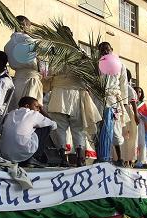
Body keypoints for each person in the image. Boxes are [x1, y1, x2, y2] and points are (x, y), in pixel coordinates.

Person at [47, 26, 101, 167]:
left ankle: (63, 158)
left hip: (60, 93)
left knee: (61, 128)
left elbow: (50, 72)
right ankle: (79, 159)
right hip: (76, 94)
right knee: (78, 129)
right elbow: (89, 73)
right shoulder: (81, 53)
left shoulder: (54, 52)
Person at [0, 96, 57, 167]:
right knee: (47, 126)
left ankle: (27, 158)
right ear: (27, 106)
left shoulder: (10, 113)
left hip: (5, 154)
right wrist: (42, 111)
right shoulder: (33, 114)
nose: (38, 109)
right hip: (24, 151)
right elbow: (54, 125)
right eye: (36, 106)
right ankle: (35, 158)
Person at [98, 42, 129, 164]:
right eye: (102, 49)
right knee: (100, 128)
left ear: (111, 49)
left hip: (115, 101)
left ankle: (120, 157)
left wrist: (124, 103)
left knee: (115, 129)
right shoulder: (97, 64)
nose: (105, 51)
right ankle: (101, 156)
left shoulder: (120, 65)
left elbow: (124, 84)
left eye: (107, 49)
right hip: (100, 99)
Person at [4, 15, 43, 111]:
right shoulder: (30, 40)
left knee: (16, 110)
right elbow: (41, 62)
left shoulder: (8, 45)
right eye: (29, 27)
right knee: (31, 112)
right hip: (31, 80)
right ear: (25, 25)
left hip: (17, 81)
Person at [121, 69, 139, 167]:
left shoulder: (128, 88)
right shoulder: (120, 87)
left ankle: (129, 160)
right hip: (121, 112)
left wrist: (136, 115)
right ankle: (124, 159)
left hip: (128, 113)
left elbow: (133, 102)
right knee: (123, 137)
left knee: (129, 138)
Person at [134, 87, 147, 168]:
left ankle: (141, 161)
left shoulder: (142, 104)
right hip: (131, 125)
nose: (138, 93)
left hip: (140, 125)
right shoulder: (129, 102)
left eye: (140, 92)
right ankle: (131, 160)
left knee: (142, 143)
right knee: (132, 142)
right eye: (136, 91)